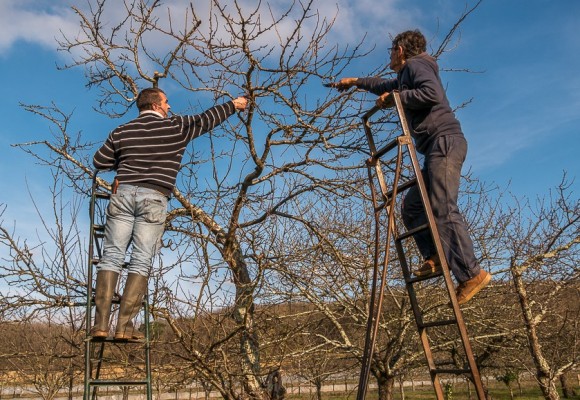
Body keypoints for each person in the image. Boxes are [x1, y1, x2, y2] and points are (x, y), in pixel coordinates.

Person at [332, 29, 491, 305]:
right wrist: (356, 82)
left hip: (445, 142)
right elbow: (385, 86)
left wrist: (395, 99)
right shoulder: (406, 75)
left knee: (443, 207)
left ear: (400, 50)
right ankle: (435, 257)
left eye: (391, 51)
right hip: (435, 148)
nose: (390, 56)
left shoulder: (417, 65)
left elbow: (430, 93)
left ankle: (471, 274)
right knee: (413, 208)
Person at [91, 87, 248, 339]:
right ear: (155, 105)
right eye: (166, 102)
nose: (169, 106)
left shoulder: (121, 131)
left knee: (111, 257)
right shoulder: (176, 126)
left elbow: (100, 161)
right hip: (154, 197)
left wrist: (123, 166)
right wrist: (234, 105)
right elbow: (207, 119)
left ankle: (100, 326)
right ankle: (123, 328)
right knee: (141, 259)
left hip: (122, 196)